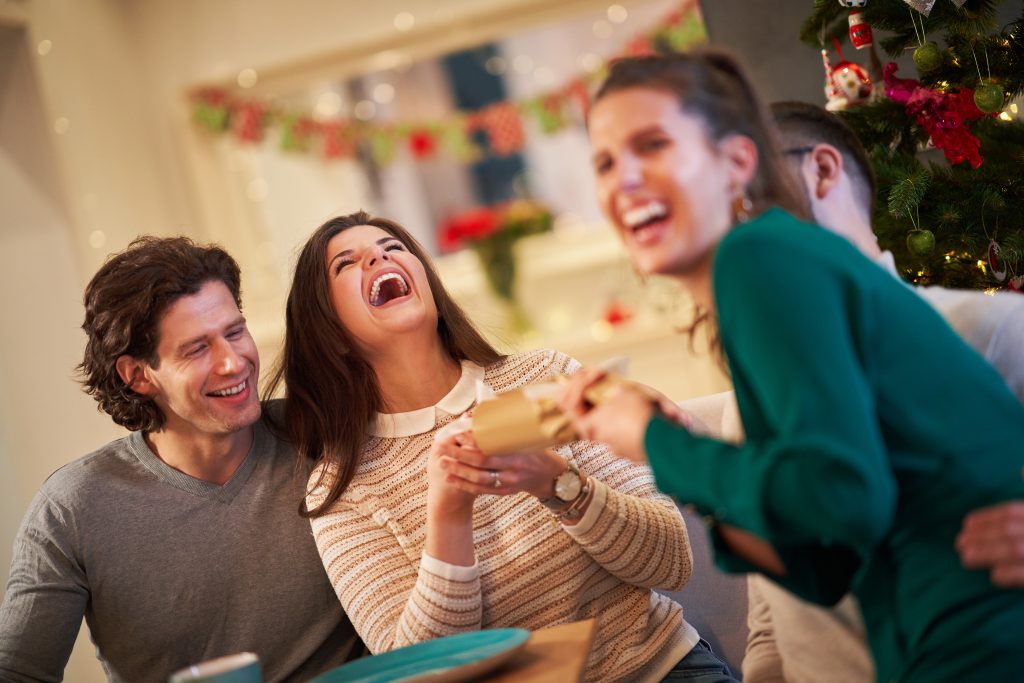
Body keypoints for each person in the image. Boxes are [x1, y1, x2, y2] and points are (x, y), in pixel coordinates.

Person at [560, 50, 1024, 683]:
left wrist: (655, 440)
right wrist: (679, 453)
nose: (626, 180)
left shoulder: (758, 256)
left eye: (654, 145)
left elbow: (842, 499)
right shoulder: (762, 278)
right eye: (606, 163)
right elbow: (823, 565)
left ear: (736, 163)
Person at [266, 210, 737, 682]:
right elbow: (418, 673)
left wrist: (559, 486)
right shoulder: (341, 488)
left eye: (393, 248)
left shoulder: (546, 378)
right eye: (346, 264)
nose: (378, 256)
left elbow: (672, 560)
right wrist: (448, 515)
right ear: (331, 333)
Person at [733, 100, 1024, 682]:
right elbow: (771, 621)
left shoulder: (992, 329)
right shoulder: (758, 395)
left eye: (744, 196)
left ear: (820, 171)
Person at [0, 237, 361, 682]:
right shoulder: (72, 508)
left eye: (234, 331)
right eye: (197, 348)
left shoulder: (320, 433)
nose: (234, 363)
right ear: (137, 375)